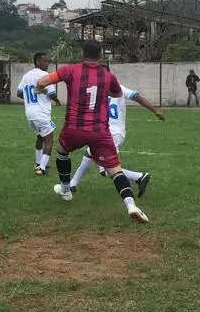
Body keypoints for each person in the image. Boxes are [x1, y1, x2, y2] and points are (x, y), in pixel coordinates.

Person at [37, 40, 149, 223]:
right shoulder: (107, 76)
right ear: (101, 55)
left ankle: (66, 189)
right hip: (100, 131)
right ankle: (131, 205)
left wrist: (40, 88)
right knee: (114, 169)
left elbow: (42, 81)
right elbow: (118, 94)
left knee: (62, 153)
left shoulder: (70, 70)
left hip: (74, 128)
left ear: (83, 53)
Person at [68, 82, 163, 193]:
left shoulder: (96, 91)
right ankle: (72, 184)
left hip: (111, 133)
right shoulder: (117, 88)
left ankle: (139, 177)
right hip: (108, 132)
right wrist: (155, 111)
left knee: (105, 170)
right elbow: (136, 96)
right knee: (89, 154)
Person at [16, 52, 61, 175]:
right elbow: (51, 94)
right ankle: (41, 168)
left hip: (30, 113)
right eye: (45, 61)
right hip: (41, 113)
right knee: (49, 140)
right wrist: (56, 100)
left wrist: (31, 98)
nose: (47, 64)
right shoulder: (45, 75)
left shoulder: (26, 76)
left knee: (40, 137)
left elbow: (19, 93)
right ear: (37, 62)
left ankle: (38, 162)